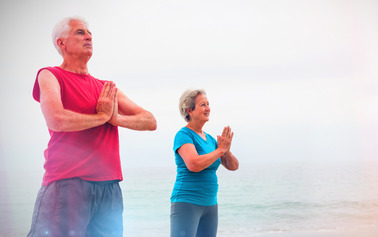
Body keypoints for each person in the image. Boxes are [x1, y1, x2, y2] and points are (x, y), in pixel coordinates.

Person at [28, 16, 157, 237]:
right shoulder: (50, 75)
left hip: (110, 187)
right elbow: (56, 119)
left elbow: (150, 121)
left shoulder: (105, 87)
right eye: (80, 32)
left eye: (90, 34)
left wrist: (116, 119)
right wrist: (101, 117)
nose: (88, 36)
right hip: (68, 183)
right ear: (61, 43)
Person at [170, 89, 239, 237]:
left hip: (210, 205)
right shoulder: (183, 135)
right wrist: (220, 150)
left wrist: (226, 150)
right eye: (202, 105)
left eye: (208, 104)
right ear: (189, 110)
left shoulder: (211, 140)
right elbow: (193, 164)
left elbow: (233, 166)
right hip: (187, 203)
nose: (208, 108)